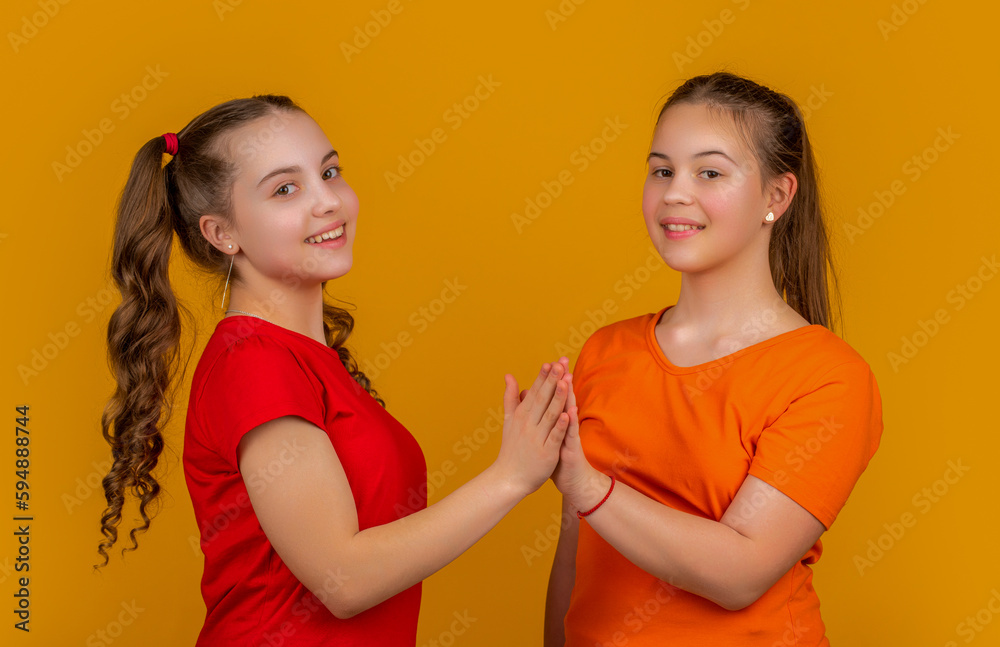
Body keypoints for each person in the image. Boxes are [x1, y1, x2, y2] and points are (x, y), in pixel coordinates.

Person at [95, 94, 574, 646]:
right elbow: (344, 580)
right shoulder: (252, 362)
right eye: (285, 189)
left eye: (329, 172)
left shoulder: (302, 360)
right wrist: (511, 475)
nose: (328, 201)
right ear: (222, 234)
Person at [544, 71, 884, 646]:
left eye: (709, 172)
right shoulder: (605, 351)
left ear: (776, 196)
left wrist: (585, 485)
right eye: (661, 170)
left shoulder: (829, 378)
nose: (676, 192)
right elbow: (575, 558)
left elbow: (739, 574)